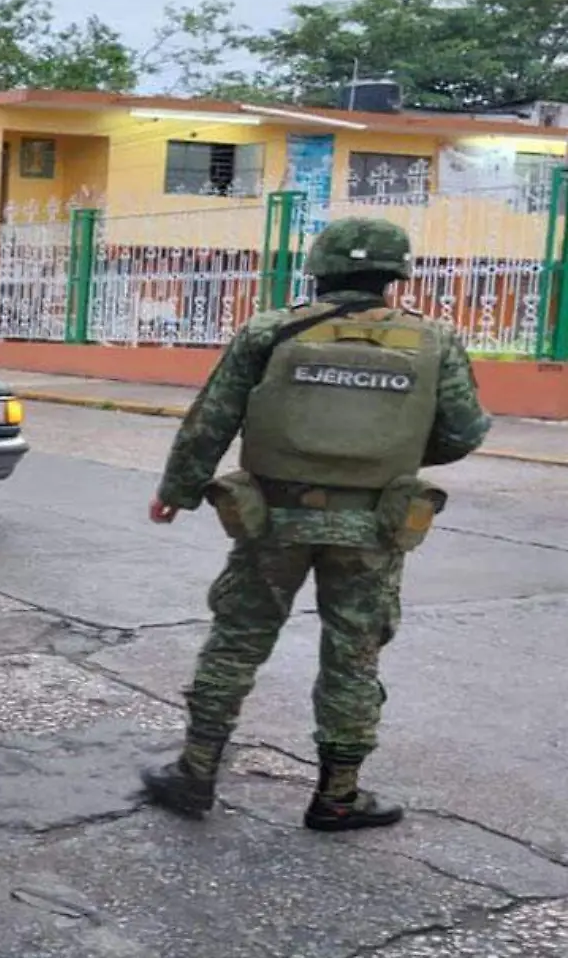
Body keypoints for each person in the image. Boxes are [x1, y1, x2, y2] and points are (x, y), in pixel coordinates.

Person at [141, 216, 491, 832]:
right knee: (353, 657)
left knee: (237, 642)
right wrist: (392, 452)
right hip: (373, 527)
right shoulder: (434, 339)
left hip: (271, 519)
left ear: (320, 267)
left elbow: (210, 420)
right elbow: (462, 433)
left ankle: (194, 776)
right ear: (394, 275)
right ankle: (337, 797)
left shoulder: (272, 330)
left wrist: (177, 491)